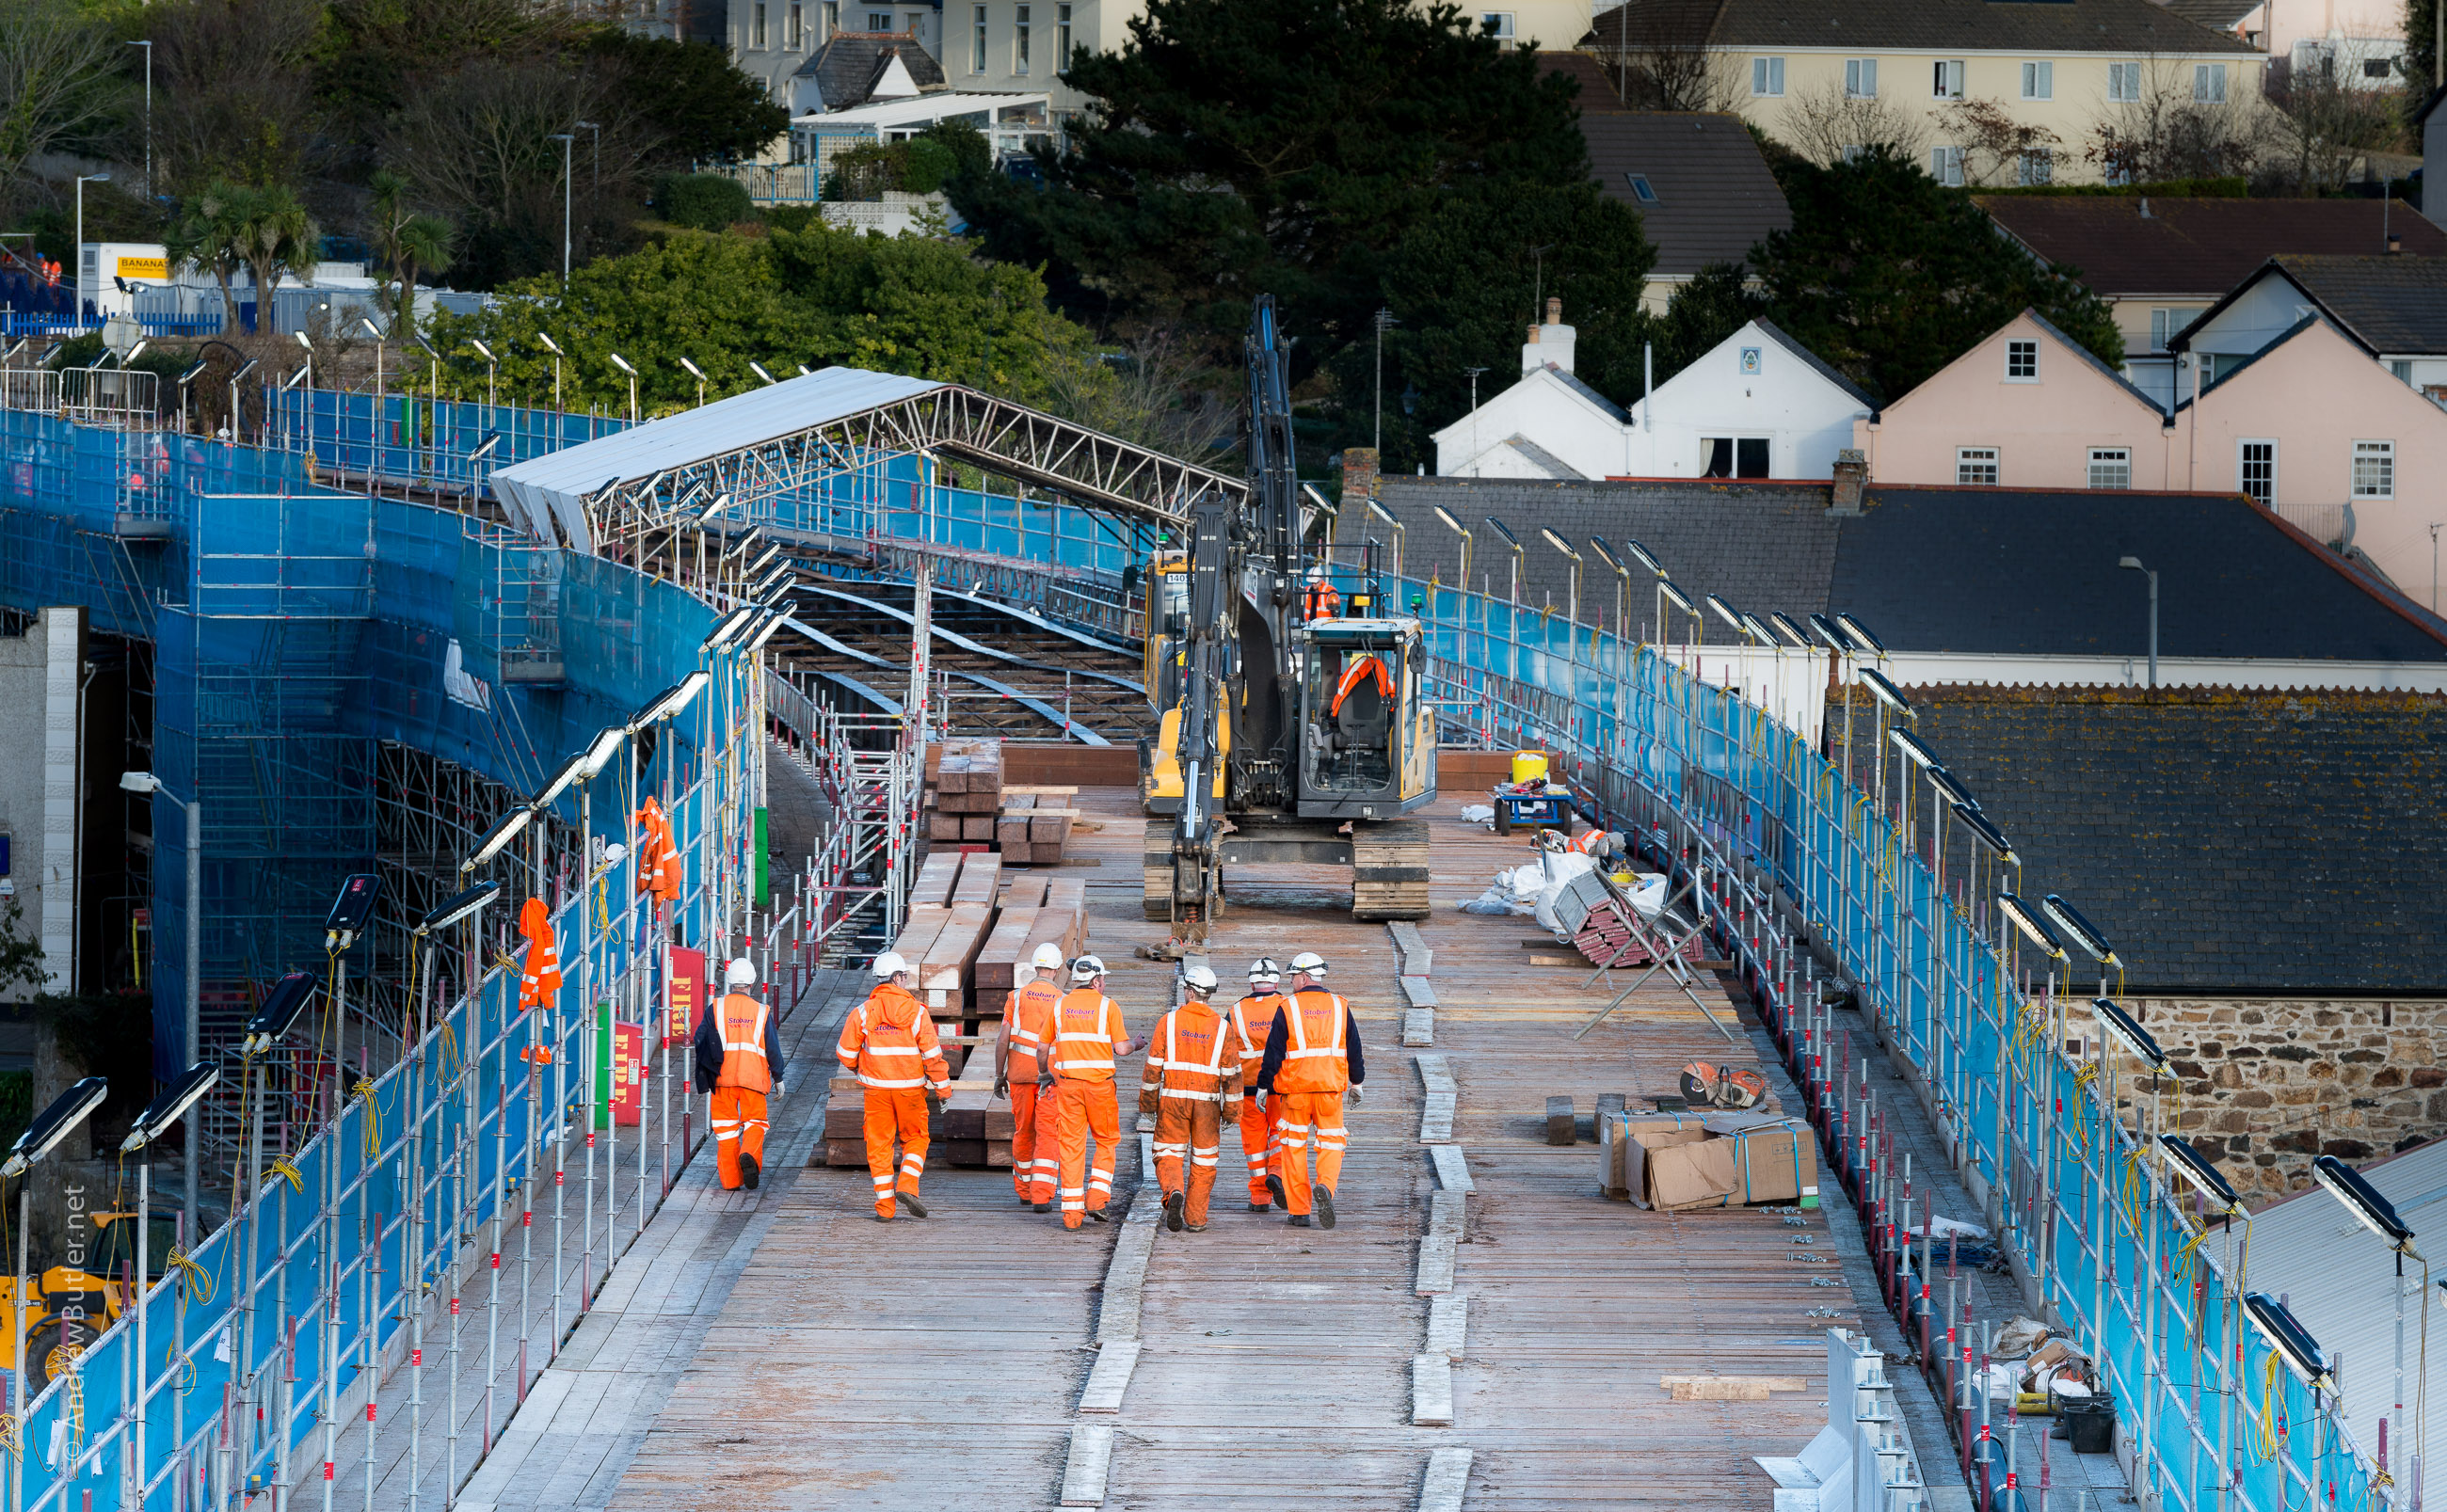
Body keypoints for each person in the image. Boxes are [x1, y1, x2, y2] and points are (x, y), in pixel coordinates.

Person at [835, 951, 951, 1221]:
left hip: (876, 1091)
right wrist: (944, 1091)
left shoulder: (863, 1012)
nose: (907, 981)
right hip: (910, 1091)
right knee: (917, 1138)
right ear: (897, 978)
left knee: (878, 1147)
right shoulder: (918, 1012)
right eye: (905, 976)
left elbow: (844, 1052)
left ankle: (886, 1209)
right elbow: (933, 1057)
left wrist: (861, 1069)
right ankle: (908, 1186)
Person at [1257, 950, 1365, 1229]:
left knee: (1293, 1150)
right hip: (1330, 1091)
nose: (1291, 981)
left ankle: (1300, 1211)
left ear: (1304, 978)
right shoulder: (1340, 1006)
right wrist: (1357, 1082)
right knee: (1331, 1144)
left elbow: (1274, 1052)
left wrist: (1263, 1085)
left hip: (1295, 1094)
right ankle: (1326, 1187)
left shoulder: (1288, 1007)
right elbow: (1354, 1046)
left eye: (1293, 976)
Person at [1141, 962, 1241, 1233]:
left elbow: (1152, 1068)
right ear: (1209, 994)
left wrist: (1148, 1106)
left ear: (1189, 992)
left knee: (1169, 1153)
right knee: (1204, 1161)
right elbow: (1231, 1075)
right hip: (1207, 1107)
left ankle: (1173, 1191)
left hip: (1173, 1102)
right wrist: (1232, 1112)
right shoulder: (1223, 1028)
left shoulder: (1168, 1021)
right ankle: (1196, 1219)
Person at [1051, 955, 1141, 1230]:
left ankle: (1072, 1216)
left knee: (1071, 1146)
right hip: (1100, 1088)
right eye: (1104, 980)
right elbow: (1122, 1048)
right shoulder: (1107, 1007)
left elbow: (1043, 1048)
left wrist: (1045, 1075)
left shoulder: (1059, 1005)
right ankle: (1097, 1199)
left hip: (1068, 1087)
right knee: (1106, 1140)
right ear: (1096, 980)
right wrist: (1137, 1043)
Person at [693, 958, 786, 1192]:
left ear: (730, 981)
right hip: (753, 1079)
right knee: (755, 1123)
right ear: (752, 982)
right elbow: (773, 1048)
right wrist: (778, 1077)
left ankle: (732, 1181)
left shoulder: (716, 1008)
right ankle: (749, 1154)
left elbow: (699, 1039)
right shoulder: (761, 1011)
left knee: (725, 1131)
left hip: (722, 1079)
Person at [995, 941, 1067, 1211]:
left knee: (1024, 1132)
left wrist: (998, 1074)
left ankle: (1024, 1190)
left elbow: (1003, 1039)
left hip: (1019, 1076)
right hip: (1050, 1078)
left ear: (1035, 966)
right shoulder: (1063, 1001)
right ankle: (1041, 1195)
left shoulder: (1017, 996)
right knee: (1048, 1135)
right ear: (1058, 968)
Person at [1228, 958, 1287, 1212]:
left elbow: (1226, 1052)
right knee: (1280, 1133)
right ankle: (1277, 1172)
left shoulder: (1235, 1011)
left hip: (1248, 1088)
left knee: (1254, 1141)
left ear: (1251, 982)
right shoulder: (1286, 1006)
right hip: (1281, 1086)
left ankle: (1260, 1197)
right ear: (1276, 981)